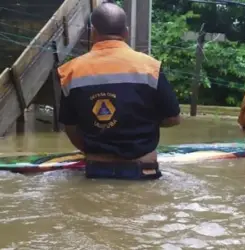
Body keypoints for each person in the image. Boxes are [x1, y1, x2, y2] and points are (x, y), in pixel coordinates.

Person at [57, 2, 181, 180]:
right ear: (126, 32)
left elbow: (70, 127)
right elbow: (174, 119)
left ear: (93, 32)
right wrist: (144, 123)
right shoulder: (150, 67)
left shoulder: (70, 71)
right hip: (143, 169)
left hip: (96, 170)